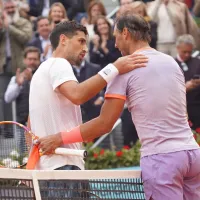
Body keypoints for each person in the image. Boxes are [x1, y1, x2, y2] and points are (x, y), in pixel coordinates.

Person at [38, 14, 200, 200]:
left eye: (115, 36)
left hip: (162, 160)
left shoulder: (122, 70)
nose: (115, 44)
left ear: (125, 33)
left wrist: (60, 138)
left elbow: (105, 124)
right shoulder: (172, 62)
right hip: (192, 155)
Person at [28, 20, 148, 171]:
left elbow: (30, 125)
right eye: (81, 41)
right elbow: (77, 95)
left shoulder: (40, 71)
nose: (85, 48)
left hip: (46, 168)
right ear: (63, 40)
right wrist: (114, 68)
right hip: (63, 166)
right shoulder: (59, 63)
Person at [175, 34, 200, 130]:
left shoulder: (197, 62)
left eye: (189, 52)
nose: (187, 55)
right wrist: (185, 87)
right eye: (184, 52)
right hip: (180, 108)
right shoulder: (171, 64)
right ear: (177, 48)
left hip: (197, 106)